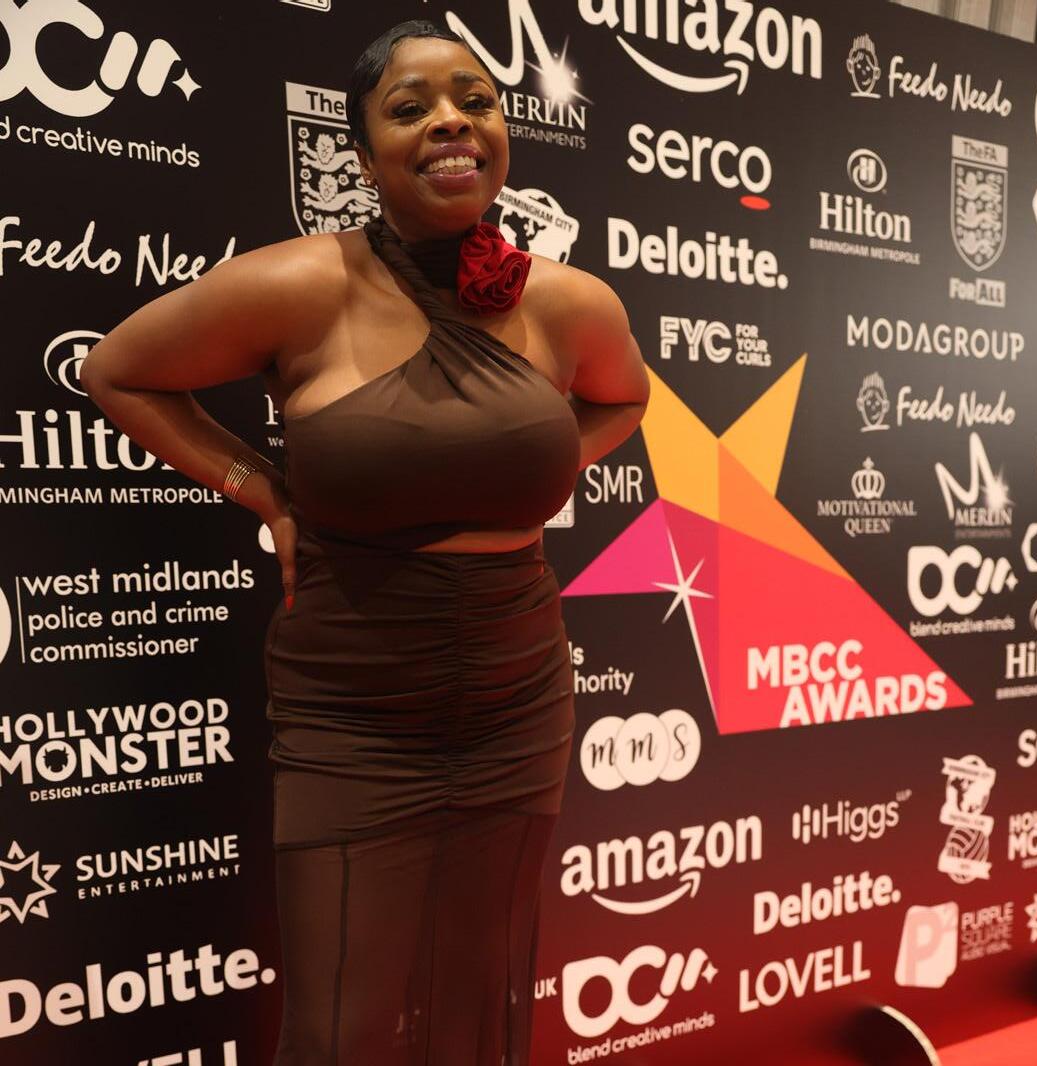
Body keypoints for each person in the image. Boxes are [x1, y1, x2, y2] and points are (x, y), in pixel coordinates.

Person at [79, 18, 649, 1064]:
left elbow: (624, 400)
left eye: (475, 101)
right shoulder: (301, 285)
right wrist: (263, 494)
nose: (451, 123)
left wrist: (533, 461)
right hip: (353, 701)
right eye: (410, 108)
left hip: (517, 686)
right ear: (363, 151)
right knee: (340, 1025)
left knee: (483, 999)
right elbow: (115, 371)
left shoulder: (569, 302)